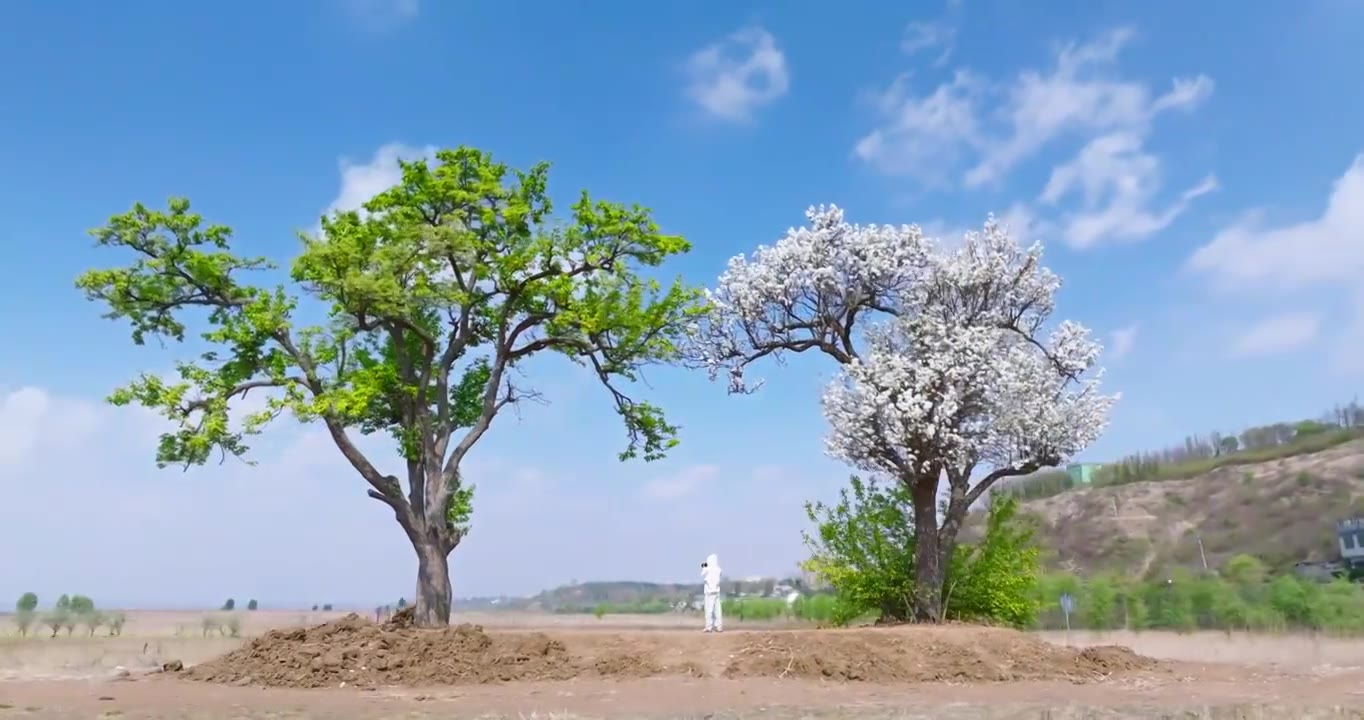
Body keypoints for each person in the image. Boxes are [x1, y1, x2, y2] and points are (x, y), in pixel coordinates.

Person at [701, 553, 723, 633]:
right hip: (717, 591)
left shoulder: (707, 569)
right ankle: (719, 626)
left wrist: (704, 563)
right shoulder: (718, 569)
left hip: (709, 592)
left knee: (709, 610)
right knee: (718, 610)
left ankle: (709, 627)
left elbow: (702, 570)